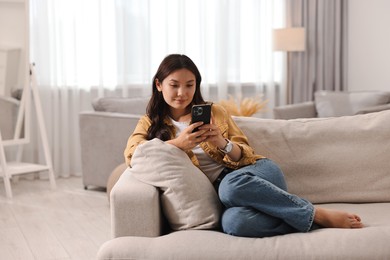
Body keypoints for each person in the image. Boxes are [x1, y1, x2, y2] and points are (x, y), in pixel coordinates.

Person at [124, 54, 363, 238]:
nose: (182, 93)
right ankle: (306, 218)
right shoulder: (150, 123)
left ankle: (316, 213)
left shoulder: (215, 111)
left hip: (256, 173)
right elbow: (133, 154)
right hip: (226, 196)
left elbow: (244, 153)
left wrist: (221, 142)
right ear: (159, 85)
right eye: (174, 85)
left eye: (190, 85)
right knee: (234, 223)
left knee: (230, 187)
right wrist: (178, 143)